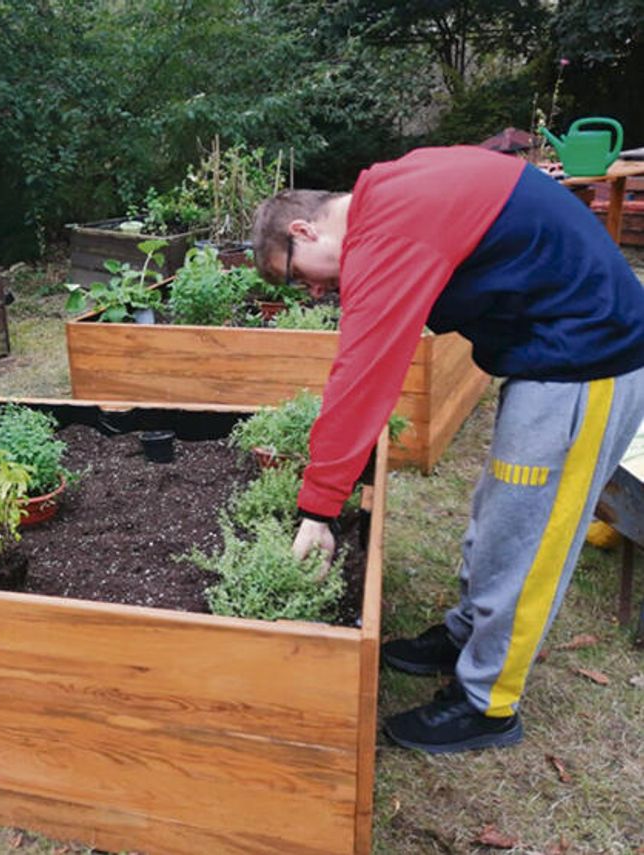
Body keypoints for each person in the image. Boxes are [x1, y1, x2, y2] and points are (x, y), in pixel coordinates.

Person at [251, 146, 644, 754]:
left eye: (300, 275)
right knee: (501, 508)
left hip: (587, 356)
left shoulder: (387, 231)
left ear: (304, 229)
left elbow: (363, 378)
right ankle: (465, 635)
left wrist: (320, 509)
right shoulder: (390, 192)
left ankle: (488, 704)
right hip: (550, 349)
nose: (315, 292)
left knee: (531, 534)